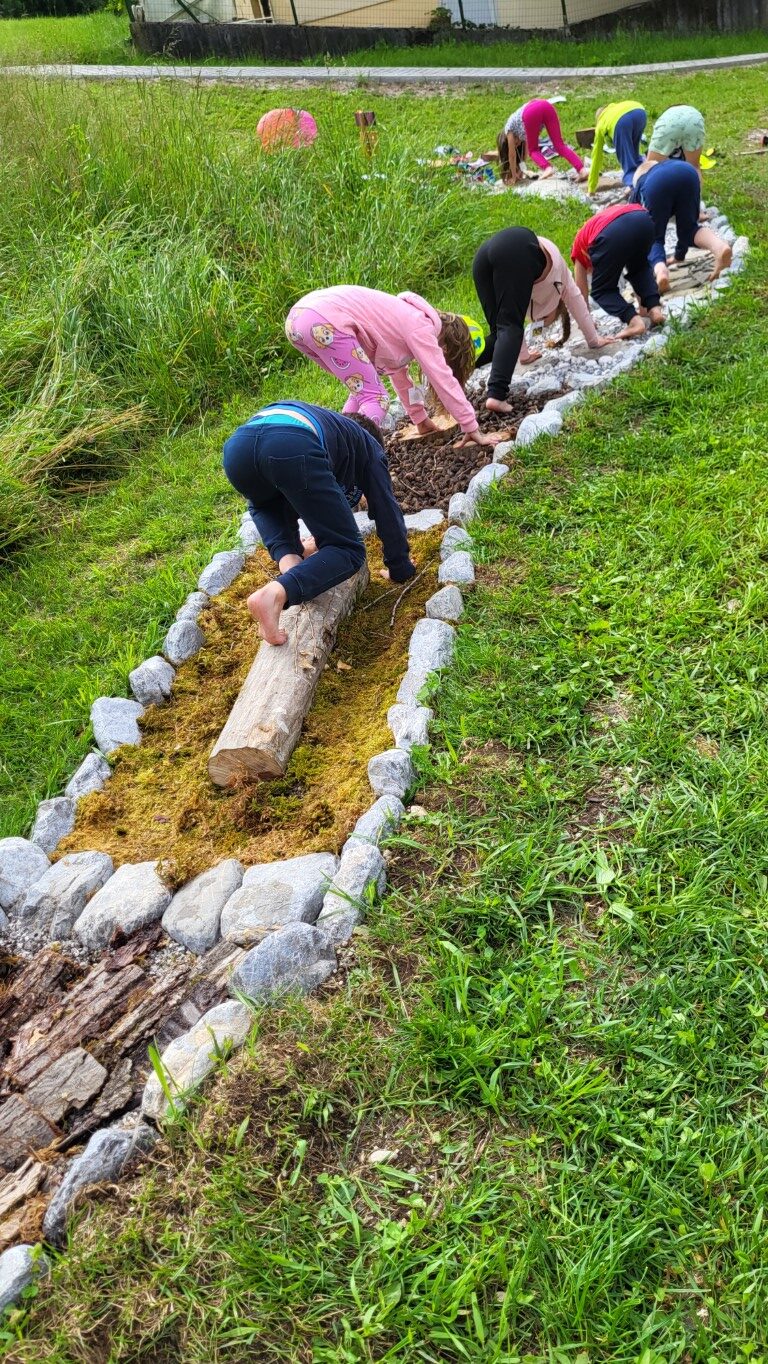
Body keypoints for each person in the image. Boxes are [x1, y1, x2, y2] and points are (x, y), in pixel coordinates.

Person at [222, 401, 415, 646]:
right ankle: (275, 594)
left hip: (238, 448)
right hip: (290, 443)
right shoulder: (369, 446)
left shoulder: (332, 431)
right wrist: (400, 567)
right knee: (348, 550)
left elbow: (288, 495)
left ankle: (291, 563)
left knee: (266, 503)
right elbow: (386, 507)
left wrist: (295, 547)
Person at [285, 285, 500, 449]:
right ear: (445, 348)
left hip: (298, 319)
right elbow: (443, 378)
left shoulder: (403, 318)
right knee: (376, 399)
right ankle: (349, 456)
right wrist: (471, 426)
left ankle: (333, 444)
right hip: (323, 320)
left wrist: (420, 420)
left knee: (361, 391)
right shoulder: (421, 327)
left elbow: (399, 376)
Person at [472, 227, 615, 415]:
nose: (539, 320)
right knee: (508, 326)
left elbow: (511, 327)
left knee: (499, 333)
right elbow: (577, 302)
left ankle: (450, 366)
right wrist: (593, 340)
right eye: (546, 319)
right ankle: (496, 395)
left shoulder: (527, 281)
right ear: (556, 304)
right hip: (517, 246)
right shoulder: (561, 278)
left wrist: (524, 356)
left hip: (483, 256)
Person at [630, 158, 732, 291]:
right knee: (690, 229)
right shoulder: (667, 166)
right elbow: (684, 228)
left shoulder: (640, 185)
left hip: (656, 185)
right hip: (687, 171)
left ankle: (661, 271)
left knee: (654, 238)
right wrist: (679, 255)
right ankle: (720, 247)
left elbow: (635, 223)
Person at [571, 204, 665, 339]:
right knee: (640, 269)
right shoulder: (592, 228)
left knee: (602, 291)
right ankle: (655, 310)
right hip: (642, 219)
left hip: (611, 233)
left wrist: (585, 322)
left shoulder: (578, 248)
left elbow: (580, 292)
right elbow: (638, 274)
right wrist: (643, 309)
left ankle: (634, 322)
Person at [497, 98, 586, 183]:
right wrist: (522, 171)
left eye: (515, 144)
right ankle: (582, 170)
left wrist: (513, 176)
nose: (517, 145)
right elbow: (523, 155)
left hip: (531, 111)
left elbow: (512, 156)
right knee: (560, 146)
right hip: (546, 105)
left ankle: (547, 168)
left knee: (533, 150)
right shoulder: (521, 131)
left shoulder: (508, 129)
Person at [587, 101, 647, 192]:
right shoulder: (614, 108)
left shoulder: (600, 124)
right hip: (639, 111)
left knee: (627, 163)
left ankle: (635, 190)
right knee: (635, 156)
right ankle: (647, 178)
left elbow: (596, 157)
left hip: (621, 122)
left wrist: (591, 188)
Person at [647, 104, 706, 175]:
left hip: (669, 123)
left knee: (651, 167)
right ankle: (695, 182)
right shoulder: (689, 110)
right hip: (695, 119)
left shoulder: (667, 115)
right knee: (694, 166)